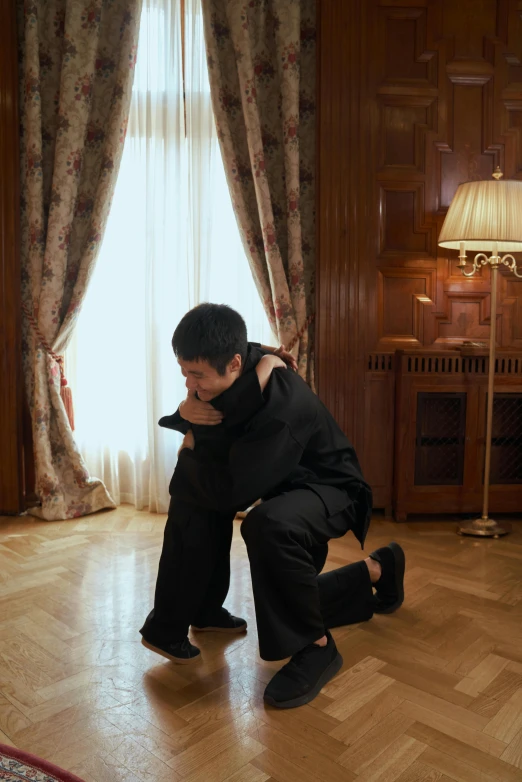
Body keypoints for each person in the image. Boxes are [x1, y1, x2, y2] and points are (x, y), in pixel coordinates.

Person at [141, 303, 405, 709]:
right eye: (184, 371)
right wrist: (183, 413)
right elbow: (243, 362)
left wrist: (187, 450)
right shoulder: (239, 360)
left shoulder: (281, 409)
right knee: (194, 500)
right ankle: (196, 611)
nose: (189, 384)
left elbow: (235, 491)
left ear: (232, 365)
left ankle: (316, 646)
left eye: (197, 376)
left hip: (329, 487)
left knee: (266, 524)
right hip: (278, 477)